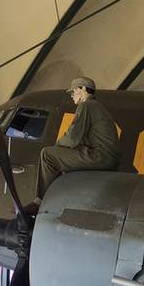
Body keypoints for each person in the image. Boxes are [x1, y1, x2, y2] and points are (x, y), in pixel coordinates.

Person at [24, 77, 121, 215]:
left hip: (99, 157)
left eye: (73, 91)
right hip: (106, 158)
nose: (71, 95)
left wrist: (58, 147)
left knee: (48, 155)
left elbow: (73, 137)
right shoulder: (98, 107)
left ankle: (41, 201)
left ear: (82, 89)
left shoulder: (86, 106)